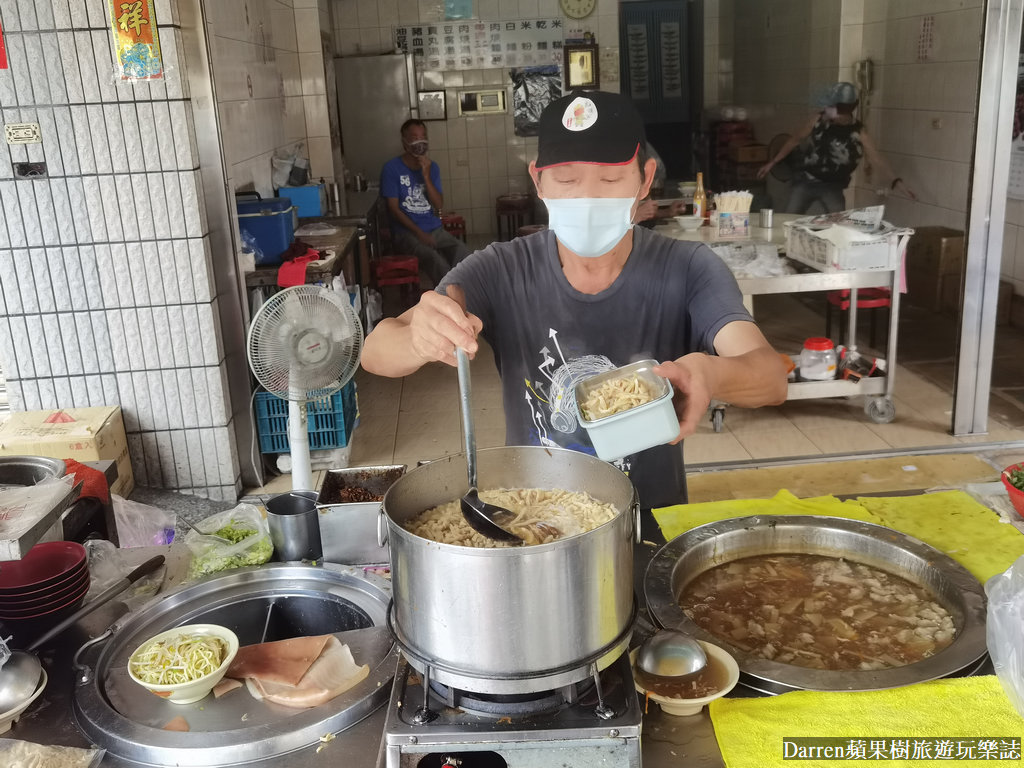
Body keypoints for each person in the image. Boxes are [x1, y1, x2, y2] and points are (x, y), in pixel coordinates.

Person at [362, 92, 788, 508]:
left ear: (644, 179)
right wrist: (419, 337)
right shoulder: (502, 269)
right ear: (538, 181)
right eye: (567, 180)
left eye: (609, 179)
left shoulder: (689, 267)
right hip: (536, 522)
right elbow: (376, 351)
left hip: (650, 520)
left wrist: (709, 374)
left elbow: (770, 376)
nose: (588, 198)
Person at [757, 82, 916, 214]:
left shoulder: (858, 131)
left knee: (838, 226)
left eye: (841, 111)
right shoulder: (818, 120)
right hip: (806, 181)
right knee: (787, 221)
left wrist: (896, 181)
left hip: (832, 187)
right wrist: (773, 162)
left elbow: (876, 158)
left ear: (850, 108)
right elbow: (795, 140)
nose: (836, 115)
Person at [380, 119, 470, 286]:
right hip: (406, 233)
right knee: (435, 260)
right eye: (414, 137)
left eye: (423, 136)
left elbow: (438, 205)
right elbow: (393, 209)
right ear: (404, 141)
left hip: (433, 229)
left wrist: (426, 176)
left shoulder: (432, 167)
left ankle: (465, 292)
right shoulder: (391, 169)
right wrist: (419, 233)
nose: (419, 141)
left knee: (462, 252)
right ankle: (448, 300)